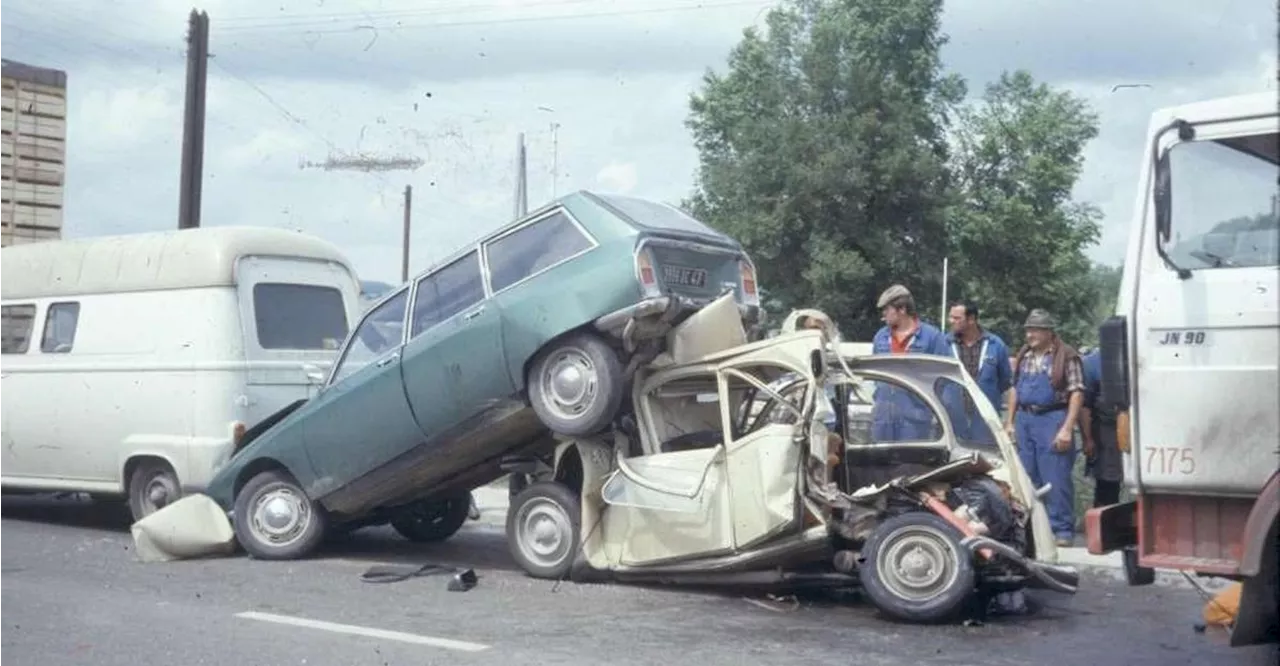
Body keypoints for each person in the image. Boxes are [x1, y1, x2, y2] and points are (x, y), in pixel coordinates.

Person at [1003, 309, 1085, 547]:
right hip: (1025, 419)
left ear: (1049, 332)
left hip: (1053, 418)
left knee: (1056, 476)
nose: (1029, 335)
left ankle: (1062, 529)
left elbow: (1077, 393)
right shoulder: (1025, 356)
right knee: (1027, 477)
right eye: (1028, 330)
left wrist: (1067, 428)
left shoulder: (1067, 356)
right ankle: (1033, 529)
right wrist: (1010, 422)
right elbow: (1015, 390)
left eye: (1035, 330)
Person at [870, 284, 950, 441]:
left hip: (915, 418)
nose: (884, 314)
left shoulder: (932, 337)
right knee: (878, 463)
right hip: (883, 417)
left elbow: (944, 378)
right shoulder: (880, 336)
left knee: (911, 463)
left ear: (902, 309)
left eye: (887, 309)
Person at [945, 301, 1012, 444]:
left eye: (956, 318)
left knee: (986, 463)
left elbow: (1006, 385)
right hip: (952, 422)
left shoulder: (995, 345)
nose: (951, 321)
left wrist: (1009, 422)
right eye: (950, 317)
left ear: (971, 319)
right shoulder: (944, 344)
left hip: (985, 423)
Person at [1079, 346, 1123, 506]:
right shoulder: (1092, 363)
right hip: (1106, 431)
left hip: (1141, 427)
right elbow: (1084, 406)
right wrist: (1088, 438)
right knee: (1107, 483)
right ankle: (1106, 525)